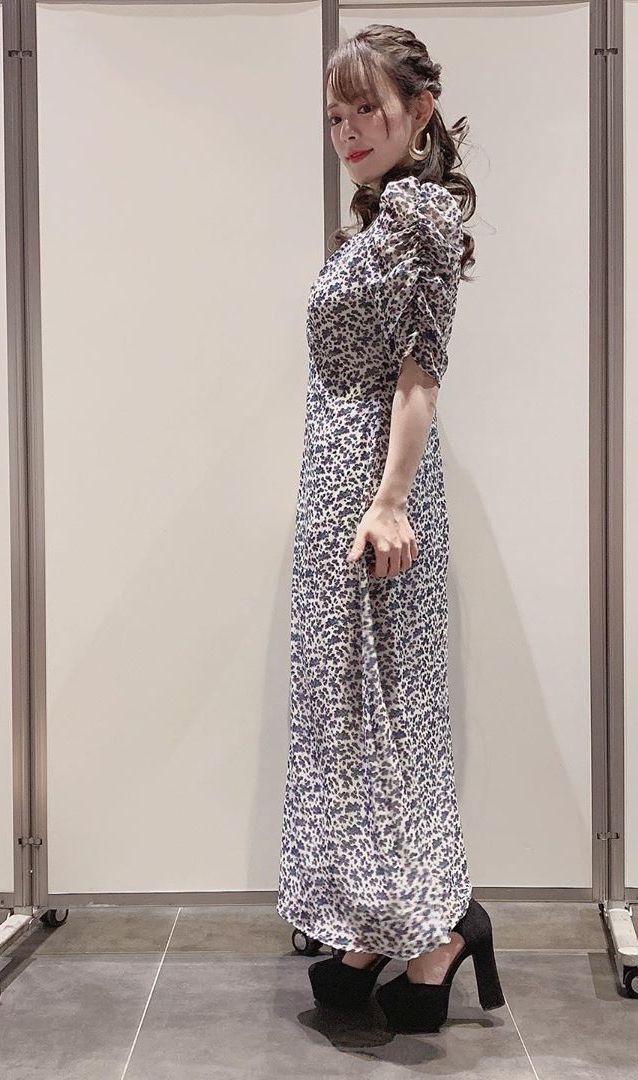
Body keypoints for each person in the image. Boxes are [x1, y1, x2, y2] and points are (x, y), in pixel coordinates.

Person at [276, 25, 505, 1034]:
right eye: (336, 115)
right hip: (338, 492)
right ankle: (382, 923)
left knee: (389, 718)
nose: (349, 130)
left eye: (367, 107)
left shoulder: (418, 212)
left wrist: (392, 500)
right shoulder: (374, 223)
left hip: (377, 498)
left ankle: (437, 929)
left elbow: (421, 374)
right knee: (351, 720)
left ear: (419, 111)